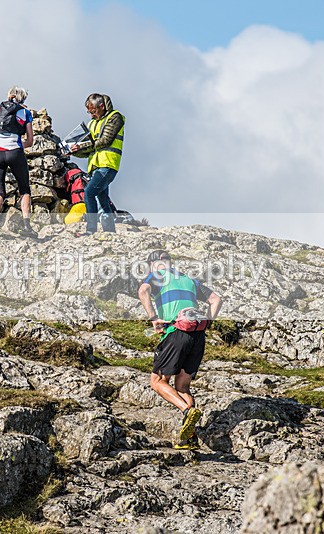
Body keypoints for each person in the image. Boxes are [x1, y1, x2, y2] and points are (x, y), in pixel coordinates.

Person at [138, 250, 222, 450]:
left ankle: (186, 410)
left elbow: (143, 291)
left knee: (157, 381)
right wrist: (208, 321)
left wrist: (153, 318)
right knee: (183, 387)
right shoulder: (189, 280)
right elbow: (216, 299)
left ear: (154, 263)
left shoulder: (158, 273)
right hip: (198, 336)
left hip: (176, 332)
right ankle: (189, 438)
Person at [0, 86, 37, 238]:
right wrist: (20, 147)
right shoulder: (25, 113)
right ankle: (27, 226)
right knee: (24, 189)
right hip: (14, 151)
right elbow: (30, 140)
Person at [71, 93, 124, 236]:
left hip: (108, 164)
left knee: (89, 192)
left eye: (93, 111)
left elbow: (105, 140)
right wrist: (73, 151)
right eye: (89, 112)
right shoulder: (92, 123)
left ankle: (91, 229)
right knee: (103, 199)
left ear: (101, 106)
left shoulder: (115, 117)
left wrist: (83, 146)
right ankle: (110, 232)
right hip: (95, 166)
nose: (91, 115)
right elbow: (89, 148)